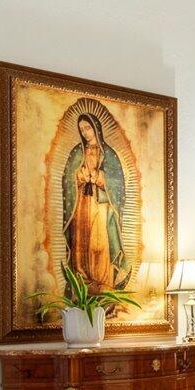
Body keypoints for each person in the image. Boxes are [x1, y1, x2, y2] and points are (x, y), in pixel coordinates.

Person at [62, 110, 127, 291]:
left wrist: (99, 176)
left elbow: (117, 181)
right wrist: (79, 176)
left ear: (96, 128)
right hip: (81, 204)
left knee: (99, 243)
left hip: (101, 204)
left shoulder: (108, 154)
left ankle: (103, 282)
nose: (85, 133)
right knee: (81, 243)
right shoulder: (77, 152)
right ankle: (83, 282)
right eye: (82, 129)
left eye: (88, 128)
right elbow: (67, 178)